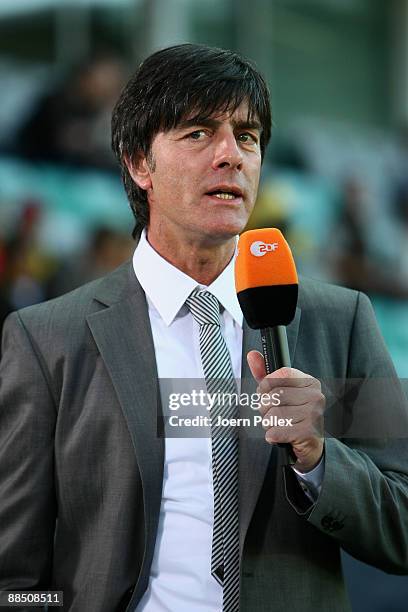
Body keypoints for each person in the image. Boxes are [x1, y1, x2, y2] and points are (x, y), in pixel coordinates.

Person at [0, 43, 407, 612]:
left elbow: (404, 524)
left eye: (247, 136)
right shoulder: (46, 340)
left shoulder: (342, 322)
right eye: (197, 133)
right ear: (139, 162)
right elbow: (14, 577)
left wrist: (319, 459)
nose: (231, 155)